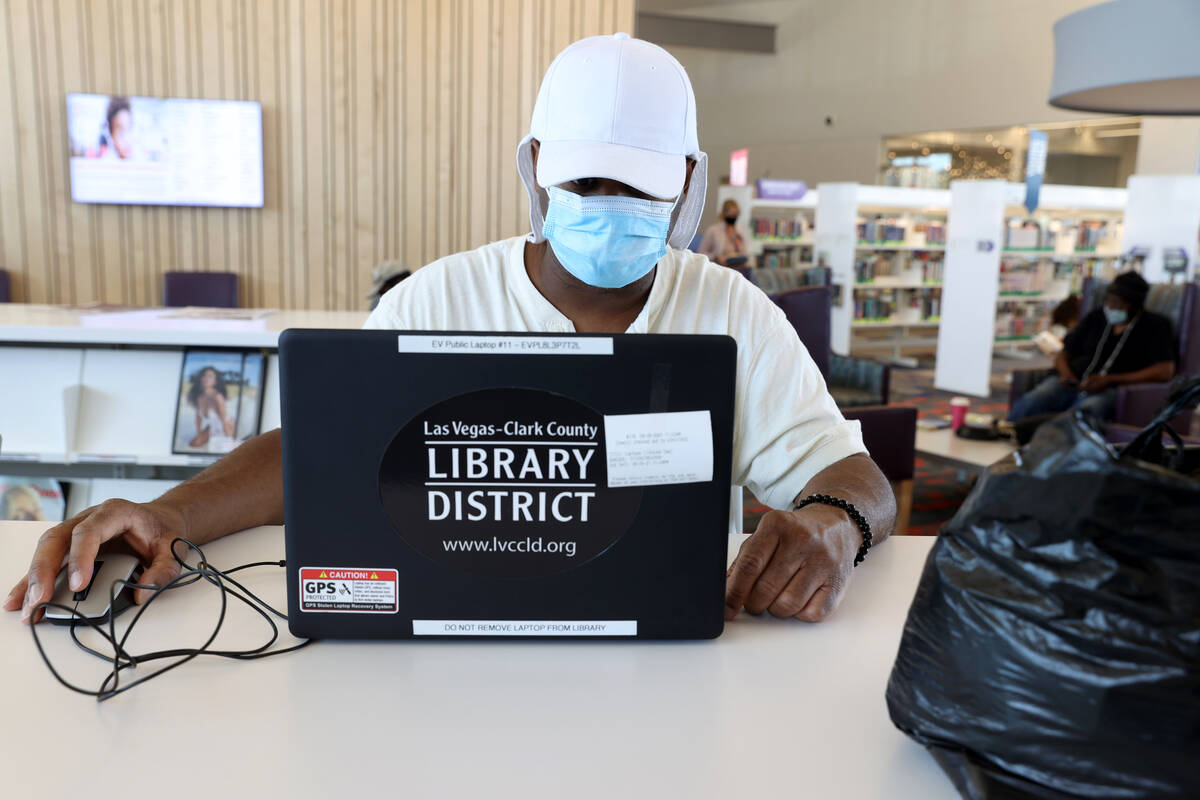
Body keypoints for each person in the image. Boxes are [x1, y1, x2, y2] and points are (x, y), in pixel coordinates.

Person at [7, 33, 895, 628]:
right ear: (536, 168)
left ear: (691, 185)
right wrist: (166, 513)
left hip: (671, 666)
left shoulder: (732, 312)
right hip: (450, 652)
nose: (609, 210)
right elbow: (318, 450)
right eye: (586, 185)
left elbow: (853, 475)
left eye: (639, 190)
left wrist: (833, 524)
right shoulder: (435, 301)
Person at [1008, 271, 1175, 423]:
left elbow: (1164, 371)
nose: (1111, 307)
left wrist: (1111, 380)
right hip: (1071, 381)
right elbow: (1063, 353)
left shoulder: (1155, 326)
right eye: (1109, 301)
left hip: (1110, 390)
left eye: (1117, 303)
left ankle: (1058, 449)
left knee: (1084, 413)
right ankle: (1009, 433)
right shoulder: (1096, 318)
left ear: (1133, 305)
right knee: (1036, 399)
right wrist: (1066, 375)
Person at [185, 366, 236, 450]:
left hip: (227, 425)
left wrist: (229, 440)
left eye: (210, 376)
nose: (206, 378)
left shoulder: (217, 397)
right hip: (213, 425)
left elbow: (224, 420)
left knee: (223, 448)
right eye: (204, 376)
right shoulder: (200, 398)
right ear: (201, 379)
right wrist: (199, 435)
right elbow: (198, 419)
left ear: (215, 381)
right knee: (193, 444)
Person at [698, 199, 749, 266]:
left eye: (735, 214)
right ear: (724, 214)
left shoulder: (740, 232)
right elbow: (701, 253)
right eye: (730, 214)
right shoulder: (713, 230)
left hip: (736, 267)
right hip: (717, 267)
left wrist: (739, 247)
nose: (733, 217)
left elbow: (745, 254)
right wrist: (715, 257)